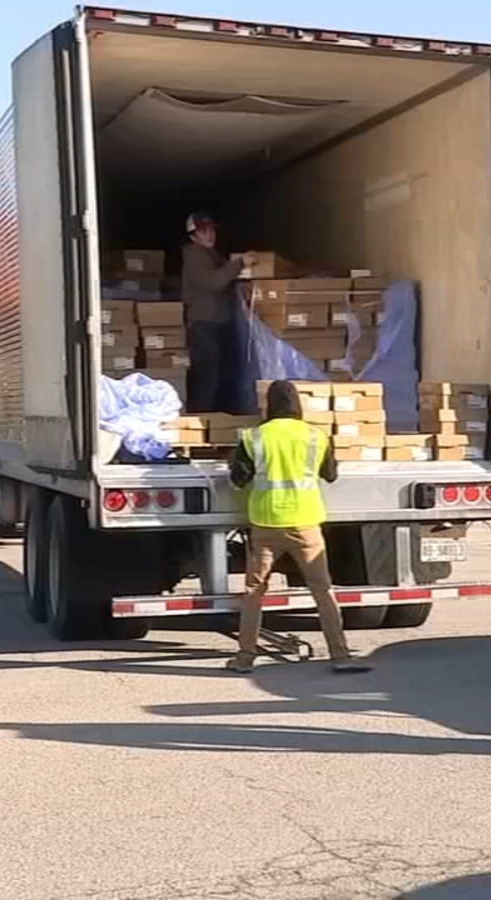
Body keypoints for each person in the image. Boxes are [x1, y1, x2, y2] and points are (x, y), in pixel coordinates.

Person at [227, 380, 371, 674]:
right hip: (306, 525)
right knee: (322, 590)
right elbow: (330, 475)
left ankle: (244, 657)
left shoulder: (254, 437)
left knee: (255, 592)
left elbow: (238, 478)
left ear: (267, 405)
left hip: (266, 525)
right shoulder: (315, 437)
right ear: (297, 404)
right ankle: (340, 655)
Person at [181, 212, 256, 413]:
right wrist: (239, 263)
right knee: (207, 377)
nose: (210, 234)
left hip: (216, 323)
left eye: (211, 229)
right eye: (203, 231)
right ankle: (201, 422)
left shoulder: (211, 255)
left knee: (216, 376)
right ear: (193, 236)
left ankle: (214, 422)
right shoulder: (194, 256)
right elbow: (213, 282)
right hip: (204, 325)